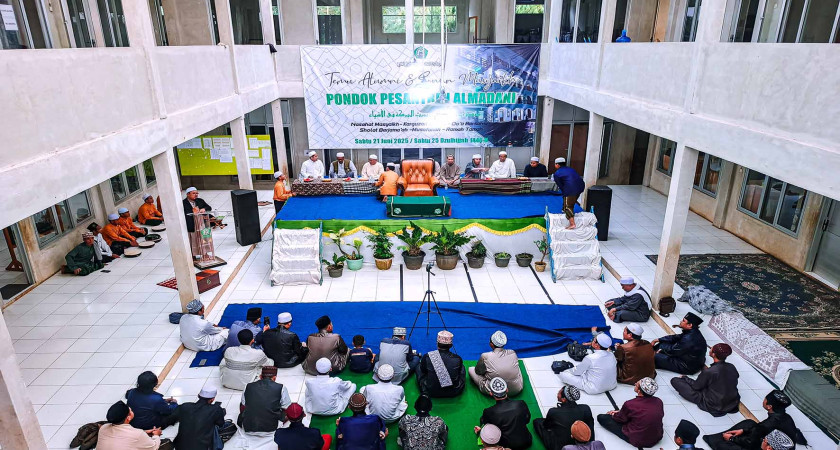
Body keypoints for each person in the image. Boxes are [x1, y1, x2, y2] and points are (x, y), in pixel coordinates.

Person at [703, 390, 799, 450]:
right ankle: (724, 438)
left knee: (723, 446)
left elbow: (751, 442)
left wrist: (733, 439)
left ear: (769, 406)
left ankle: (724, 440)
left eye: (765, 399)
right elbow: (759, 429)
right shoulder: (786, 417)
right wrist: (743, 431)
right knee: (749, 423)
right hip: (769, 443)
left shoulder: (768, 424)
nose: (764, 400)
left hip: (767, 446)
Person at [672, 343, 740, 417]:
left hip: (712, 405)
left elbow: (696, 387)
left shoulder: (710, 371)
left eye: (711, 348)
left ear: (713, 354)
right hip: (731, 403)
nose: (710, 349)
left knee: (675, 381)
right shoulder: (731, 366)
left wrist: (685, 378)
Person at [596, 377, 664, 449]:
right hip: (656, 437)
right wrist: (621, 411)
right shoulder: (659, 401)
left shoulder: (630, 404)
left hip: (638, 439)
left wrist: (614, 414)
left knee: (602, 418)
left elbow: (620, 419)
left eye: (637, 384)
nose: (635, 384)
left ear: (639, 391)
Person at [165, 387, 230, 450]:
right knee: (216, 427)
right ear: (212, 399)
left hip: (179, 446)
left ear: (198, 395)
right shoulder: (215, 409)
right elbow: (220, 424)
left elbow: (171, 419)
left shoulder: (184, 406)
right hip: (202, 447)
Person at [476, 378, 532, 450]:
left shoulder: (489, 412)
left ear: (491, 393)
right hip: (527, 441)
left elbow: (488, 427)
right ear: (507, 390)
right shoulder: (521, 403)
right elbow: (527, 420)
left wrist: (481, 429)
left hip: (506, 445)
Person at [533, 385, 594, 450]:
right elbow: (590, 427)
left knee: (537, 422)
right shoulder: (586, 408)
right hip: (585, 445)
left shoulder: (553, 411)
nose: (557, 393)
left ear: (563, 399)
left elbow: (546, 425)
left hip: (560, 447)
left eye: (559, 392)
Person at [470, 330, 524, 397]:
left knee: (471, 369)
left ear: (491, 344)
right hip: (516, 389)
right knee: (517, 368)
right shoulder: (512, 352)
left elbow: (478, 371)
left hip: (494, 391)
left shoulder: (485, 356)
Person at [239, 366, 290, 433]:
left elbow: (243, 404)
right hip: (272, 428)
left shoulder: (248, 386)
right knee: (290, 411)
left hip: (248, 427)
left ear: (260, 377)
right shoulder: (281, 387)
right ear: (274, 378)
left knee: (243, 405)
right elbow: (287, 407)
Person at [416, 330, 466, 398]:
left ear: (437, 343)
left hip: (430, 391)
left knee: (418, 367)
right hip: (453, 392)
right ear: (451, 345)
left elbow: (423, 370)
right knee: (462, 367)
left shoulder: (427, 356)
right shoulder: (457, 358)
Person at [97, 401, 163, 450]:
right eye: (130, 410)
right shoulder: (138, 434)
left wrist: (144, 432)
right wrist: (156, 435)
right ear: (128, 417)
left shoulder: (103, 428)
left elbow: (122, 437)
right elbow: (154, 447)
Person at [553, 157, 586, 229]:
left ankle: (572, 224)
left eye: (555, 164)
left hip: (570, 189)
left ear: (557, 165)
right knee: (571, 201)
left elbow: (560, 186)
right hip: (580, 187)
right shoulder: (571, 169)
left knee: (567, 207)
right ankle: (569, 211)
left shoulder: (557, 173)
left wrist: (565, 193)